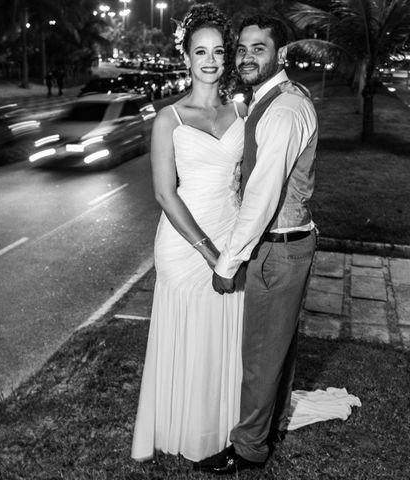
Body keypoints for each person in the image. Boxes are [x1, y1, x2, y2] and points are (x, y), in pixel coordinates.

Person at [200, 14, 319, 474]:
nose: (247, 56)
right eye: (243, 48)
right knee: (279, 350)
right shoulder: (273, 100)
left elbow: (263, 196)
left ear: (281, 54)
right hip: (291, 243)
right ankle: (268, 429)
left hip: (276, 248)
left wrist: (227, 263)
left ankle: (248, 448)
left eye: (259, 48)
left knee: (260, 356)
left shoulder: (284, 109)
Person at [131, 3, 247, 463]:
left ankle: (223, 426)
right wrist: (210, 253)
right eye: (201, 51)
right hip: (186, 245)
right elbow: (165, 195)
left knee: (224, 334)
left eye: (218, 51)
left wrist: (234, 249)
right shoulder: (169, 120)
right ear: (187, 58)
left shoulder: (242, 111)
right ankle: (184, 428)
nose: (211, 60)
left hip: (233, 236)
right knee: (190, 333)